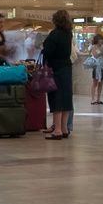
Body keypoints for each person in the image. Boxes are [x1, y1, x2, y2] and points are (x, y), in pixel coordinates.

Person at [41, 11, 75, 139]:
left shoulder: (54, 34)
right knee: (66, 98)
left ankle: (57, 130)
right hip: (67, 67)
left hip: (56, 69)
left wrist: (43, 47)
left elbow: (48, 51)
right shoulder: (68, 34)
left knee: (56, 98)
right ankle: (65, 128)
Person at [86, 33, 103, 104]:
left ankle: (98, 98)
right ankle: (93, 98)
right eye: (100, 39)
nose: (101, 41)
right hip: (96, 66)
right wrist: (102, 52)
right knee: (95, 83)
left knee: (101, 83)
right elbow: (95, 55)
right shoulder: (93, 47)